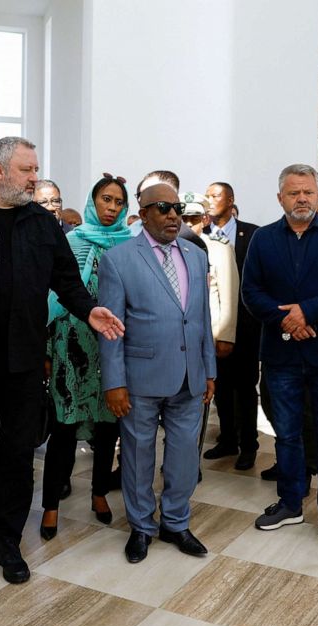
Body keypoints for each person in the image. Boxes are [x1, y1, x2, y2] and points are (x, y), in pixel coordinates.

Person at [0, 137, 123, 585]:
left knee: (19, 451)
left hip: (23, 361)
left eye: (36, 169)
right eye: (26, 170)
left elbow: (66, 280)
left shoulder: (43, 226)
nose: (34, 178)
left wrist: (89, 309)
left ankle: (7, 538)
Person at [241, 164, 318, 547]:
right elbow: (252, 293)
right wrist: (288, 322)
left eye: (309, 192)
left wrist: (306, 312)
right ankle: (291, 503)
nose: (302, 199)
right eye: (294, 193)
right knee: (287, 435)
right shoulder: (263, 239)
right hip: (281, 356)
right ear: (281, 198)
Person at [99, 183, 215, 563]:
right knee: (137, 456)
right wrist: (114, 382)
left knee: (183, 457)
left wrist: (209, 369)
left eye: (177, 208)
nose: (172, 215)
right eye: (162, 208)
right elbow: (111, 328)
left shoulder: (196, 256)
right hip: (139, 378)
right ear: (144, 212)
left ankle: (176, 523)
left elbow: (201, 318)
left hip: (189, 377)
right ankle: (142, 527)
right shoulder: (119, 259)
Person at [39, 175, 133, 539]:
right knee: (62, 431)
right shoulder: (72, 241)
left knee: (108, 429)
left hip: (111, 350)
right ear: (93, 202)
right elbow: (52, 295)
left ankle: (98, 494)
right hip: (69, 350)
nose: (111, 208)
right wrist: (47, 351)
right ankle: (50, 506)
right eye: (105, 200)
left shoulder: (129, 246)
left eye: (118, 202)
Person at [203, 181, 260, 469]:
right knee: (220, 386)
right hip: (213, 327)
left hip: (246, 325)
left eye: (216, 195)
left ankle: (249, 445)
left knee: (245, 388)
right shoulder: (201, 235)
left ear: (231, 199)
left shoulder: (252, 234)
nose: (210, 200)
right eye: (207, 195)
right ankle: (227, 439)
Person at [181, 191, 238, 349]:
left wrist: (226, 336)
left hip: (209, 332)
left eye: (194, 218)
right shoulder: (166, 247)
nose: (189, 224)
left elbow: (229, 295)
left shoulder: (220, 247)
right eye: (184, 218)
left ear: (204, 219)